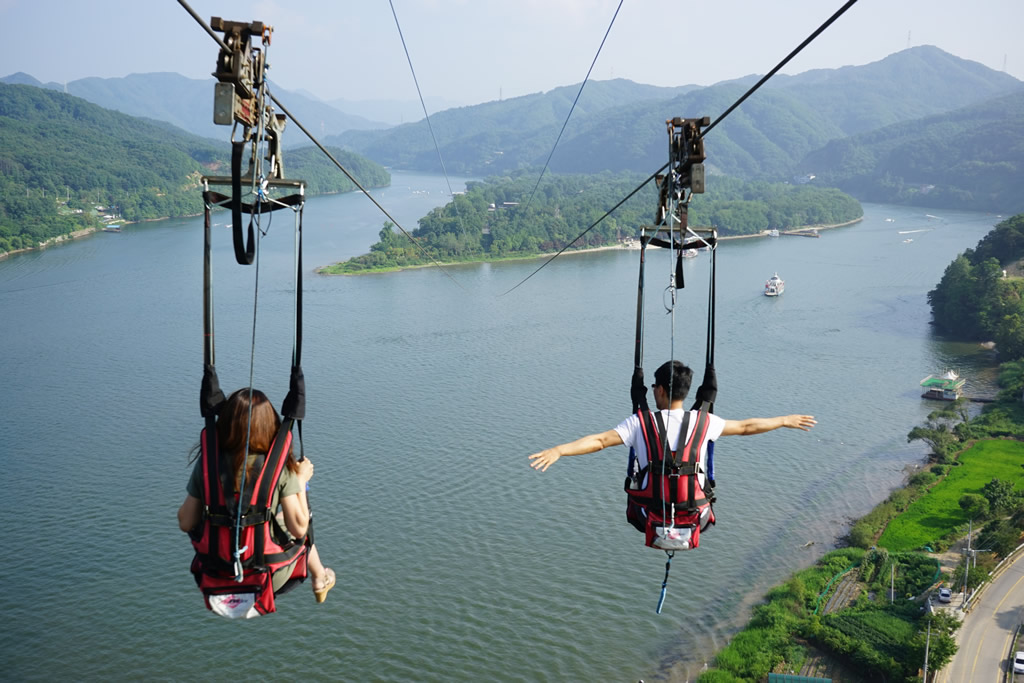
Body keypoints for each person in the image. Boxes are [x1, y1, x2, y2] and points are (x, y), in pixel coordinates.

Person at [178, 388, 335, 603]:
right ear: (270, 425)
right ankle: (320, 577)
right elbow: (299, 529)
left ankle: (319, 577)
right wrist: (299, 482)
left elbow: (186, 522)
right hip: (267, 575)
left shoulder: (209, 463)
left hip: (216, 569)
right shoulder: (278, 467)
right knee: (295, 519)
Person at [529, 360, 816, 475]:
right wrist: (783, 420)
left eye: (654, 386)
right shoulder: (705, 423)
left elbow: (599, 441)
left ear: (662, 390)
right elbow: (746, 427)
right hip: (695, 511)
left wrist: (559, 450)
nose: (652, 391)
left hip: (647, 511)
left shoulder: (641, 424)